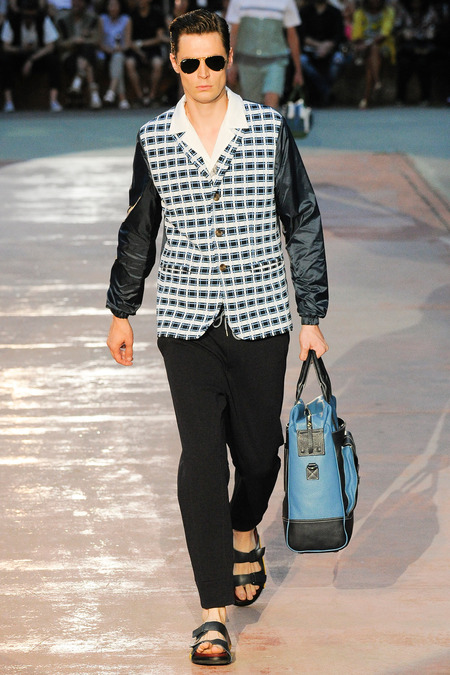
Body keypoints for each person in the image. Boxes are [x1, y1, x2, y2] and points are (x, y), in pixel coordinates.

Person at [106, 8, 328, 666]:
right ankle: (212, 613)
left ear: (228, 58)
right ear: (174, 64)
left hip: (262, 314)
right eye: (190, 62)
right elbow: (140, 226)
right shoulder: (155, 137)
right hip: (185, 319)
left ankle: (243, 525)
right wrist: (122, 308)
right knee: (201, 458)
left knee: (260, 457)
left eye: (213, 60)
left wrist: (311, 314)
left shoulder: (268, 128)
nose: (203, 73)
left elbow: (301, 218)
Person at [225, 0, 303, 108]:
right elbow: (233, 33)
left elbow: (292, 36)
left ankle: (271, 118)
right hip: (247, 62)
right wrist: (230, 63)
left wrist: (298, 69)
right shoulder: (238, 1)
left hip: (276, 60)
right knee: (252, 106)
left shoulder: (286, 2)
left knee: (271, 101)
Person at [1, 0, 63, 112]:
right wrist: (20, 49)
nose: (29, 19)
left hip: (38, 57)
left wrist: (31, 59)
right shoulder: (12, 20)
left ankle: (53, 100)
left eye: (31, 16)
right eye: (26, 16)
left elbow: (50, 47)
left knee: (54, 59)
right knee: (5, 59)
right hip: (18, 57)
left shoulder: (43, 20)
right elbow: (5, 47)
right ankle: (8, 102)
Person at [56, 0, 102, 109]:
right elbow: (58, 44)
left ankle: (78, 79)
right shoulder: (62, 20)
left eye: (80, 1)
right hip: (69, 56)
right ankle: (94, 96)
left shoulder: (92, 19)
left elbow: (97, 40)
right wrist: (73, 41)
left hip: (86, 54)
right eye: (74, 1)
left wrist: (83, 40)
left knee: (87, 49)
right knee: (88, 61)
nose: (76, 3)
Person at [298, 0, 346, 106]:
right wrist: (318, 45)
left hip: (331, 51)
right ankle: (326, 92)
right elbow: (301, 35)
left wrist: (327, 47)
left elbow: (339, 36)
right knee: (302, 61)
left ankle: (324, 92)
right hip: (309, 51)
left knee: (338, 60)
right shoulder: (304, 12)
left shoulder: (335, 12)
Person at [351, 0, 396, 109]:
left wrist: (369, 43)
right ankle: (377, 81)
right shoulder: (360, 13)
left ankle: (366, 97)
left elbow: (385, 33)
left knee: (373, 53)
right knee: (372, 52)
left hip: (383, 46)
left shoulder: (388, 12)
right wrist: (364, 44)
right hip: (363, 47)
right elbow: (356, 35)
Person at [395, 0, 438, 105]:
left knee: (423, 64)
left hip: (425, 47)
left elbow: (437, 29)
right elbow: (395, 29)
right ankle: (400, 98)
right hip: (408, 48)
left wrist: (433, 33)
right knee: (404, 64)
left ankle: (425, 98)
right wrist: (402, 33)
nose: (416, 2)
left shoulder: (430, 12)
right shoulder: (403, 12)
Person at [125, 0, 168, 105]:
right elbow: (128, 40)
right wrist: (139, 52)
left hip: (153, 48)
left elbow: (159, 38)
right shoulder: (132, 15)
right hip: (136, 50)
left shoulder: (157, 14)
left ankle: (152, 96)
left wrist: (142, 44)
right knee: (129, 63)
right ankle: (140, 96)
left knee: (158, 64)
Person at [99, 0, 131, 108]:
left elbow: (127, 44)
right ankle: (122, 98)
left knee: (117, 58)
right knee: (117, 63)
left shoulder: (126, 19)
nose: (113, 8)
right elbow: (100, 42)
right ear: (107, 6)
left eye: (115, 5)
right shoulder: (102, 19)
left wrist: (118, 49)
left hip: (121, 52)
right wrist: (108, 50)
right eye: (111, 5)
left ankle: (111, 91)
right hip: (104, 53)